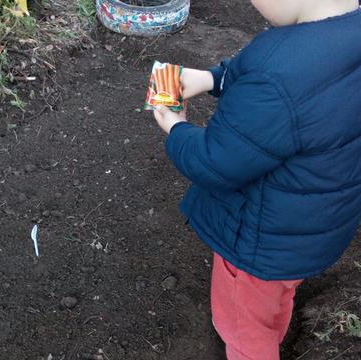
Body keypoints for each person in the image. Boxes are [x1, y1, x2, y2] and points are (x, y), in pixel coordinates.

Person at [152, 0, 361, 359]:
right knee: (278, 293)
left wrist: (175, 126)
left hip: (257, 243)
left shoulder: (278, 70)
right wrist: (211, 78)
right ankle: (274, 330)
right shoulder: (342, 35)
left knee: (243, 325)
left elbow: (214, 162)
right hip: (316, 230)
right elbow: (266, 75)